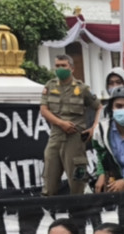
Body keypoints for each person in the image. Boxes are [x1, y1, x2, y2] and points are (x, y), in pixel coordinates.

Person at [39, 55, 99, 196]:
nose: (60, 69)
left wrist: (94, 127)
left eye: (63, 66)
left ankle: (78, 214)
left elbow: (99, 107)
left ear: (72, 68)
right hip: (55, 137)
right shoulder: (49, 86)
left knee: (77, 182)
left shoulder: (82, 88)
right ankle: (48, 212)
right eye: (57, 66)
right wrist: (61, 123)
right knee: (49, 179)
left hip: (75, 139)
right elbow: (44, 110)